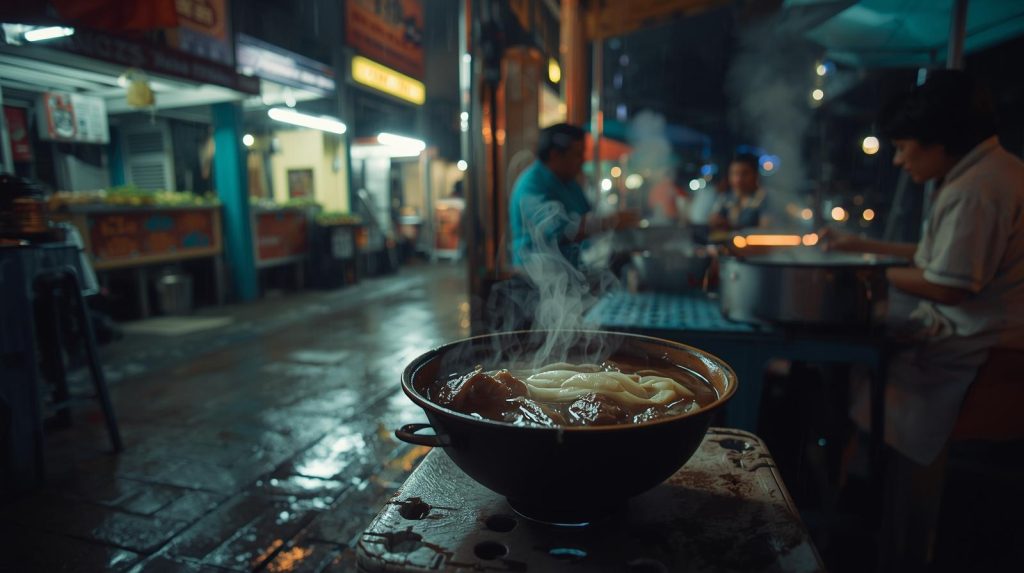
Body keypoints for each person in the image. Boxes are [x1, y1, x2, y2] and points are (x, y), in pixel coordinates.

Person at [827, 71, 1024, 569]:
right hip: (985, 339)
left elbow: (950, 284)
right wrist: (861, 248)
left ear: (939, 140)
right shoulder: (987, 172)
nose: (897, 160)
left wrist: (870, 273)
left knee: (873, 382)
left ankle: (902, 545)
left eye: (902, 147)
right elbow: (937, 255)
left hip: (984, 352)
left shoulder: (977, 189)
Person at [508, 123, 637, 268]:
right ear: (555, 155)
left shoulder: (569, 183)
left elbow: (587, 217)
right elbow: (558, 230)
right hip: (533, 278)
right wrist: (608, 222)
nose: (582, 160)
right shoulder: (531, 185)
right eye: (577, 154)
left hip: (568, 274)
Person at [709, 153, 771, 232]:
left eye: (744, 174)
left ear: (756, 174)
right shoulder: (726, 198)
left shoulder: (764, 199)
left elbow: (765, 232)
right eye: (734, 173)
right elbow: (714, 219)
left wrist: (731, 227)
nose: (738, 179)